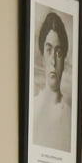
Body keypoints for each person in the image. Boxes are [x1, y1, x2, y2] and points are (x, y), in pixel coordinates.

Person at [30, 10, 72, 151]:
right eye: (49, 51)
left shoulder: (70, 116)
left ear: (64, 59)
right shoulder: (33, 108)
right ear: (42, 56)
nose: (53, 61)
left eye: (58, 53)